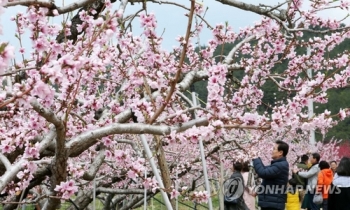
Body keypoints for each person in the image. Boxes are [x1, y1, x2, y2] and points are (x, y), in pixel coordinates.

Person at [252, 140, 289, 210]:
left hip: (273, 204)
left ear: (280, 152)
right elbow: (268, 179)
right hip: (271, 202)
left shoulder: (280, 165)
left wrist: (255, 158)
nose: (272, 151)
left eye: (274, 149)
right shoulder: (278, 165)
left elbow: (262, 173)